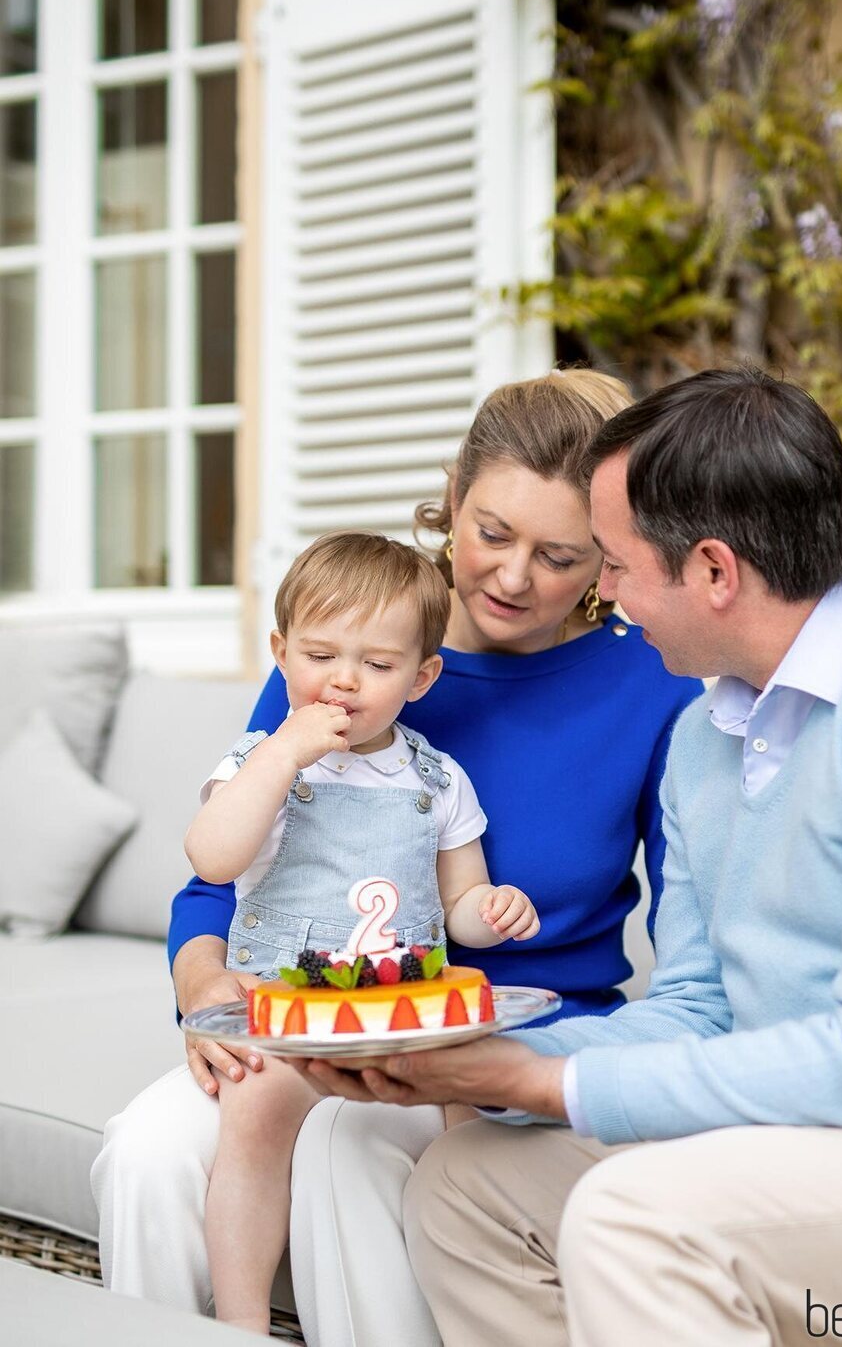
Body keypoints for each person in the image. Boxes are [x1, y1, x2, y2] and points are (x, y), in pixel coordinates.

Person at [292, 367, 842, 1347]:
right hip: (804, 1122)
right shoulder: (708, 733)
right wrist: (472, 1065)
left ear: (710, 571)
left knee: (633, 1217)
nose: (602, 596)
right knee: (467, 1183)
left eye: (609, 563)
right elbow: (697, 1008)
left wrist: (540, 1083)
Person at [90, 369, 702, 1347]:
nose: (510, 577)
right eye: (491, 533)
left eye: (557, 556)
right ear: (452, 496)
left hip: (513, 1046)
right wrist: (203, 983)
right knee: (147, 1151)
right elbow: (219, 872)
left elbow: (691, 934)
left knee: (349, 1143)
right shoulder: (353, 654)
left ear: (605, 558)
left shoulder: (652, 684)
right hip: (313, 1013)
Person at [183, 531, 539, 1335]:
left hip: (400, 1016)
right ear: (281, 655)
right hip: (285, 1012)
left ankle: (467, 1309)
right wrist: (282, 755)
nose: (344, 680)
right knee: (255, 1112)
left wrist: (495, 911)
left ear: (421, 678)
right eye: (320, 655)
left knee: (472, 1111)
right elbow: (211, 854)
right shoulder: (260, 757)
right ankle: (239, 1324)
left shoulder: (437, 778)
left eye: (377, 666)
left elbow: (462, 903)